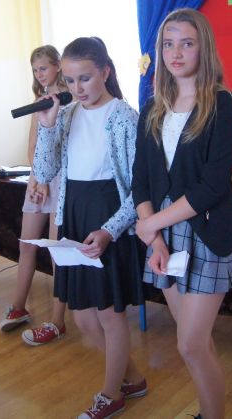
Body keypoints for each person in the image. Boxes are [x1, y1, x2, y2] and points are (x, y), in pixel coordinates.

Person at [132, 8, 232, 419]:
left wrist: (150, 224)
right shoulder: (152, 109)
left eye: (187, 43)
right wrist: (155, 239)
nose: (176, 53)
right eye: (168, 44)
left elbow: (212, 186)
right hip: (164, 238)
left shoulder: (223, 104)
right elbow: (140, 181)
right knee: (197, 342)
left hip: (207, 232)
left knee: (189, 343)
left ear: (204, 48)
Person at [34, 37, 146, 419]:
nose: (77, 88)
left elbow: (140, 190)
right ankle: (133, 378)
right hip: (74, 216)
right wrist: (47, 126)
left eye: (85, 78)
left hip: (109, 220)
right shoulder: (66, 115)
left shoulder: (125, 117)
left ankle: (111, 394)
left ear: (105, 72)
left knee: (109, 314)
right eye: (69, 80)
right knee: (82, 316)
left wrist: (110, 231)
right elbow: (44, 171)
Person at [0, 45, 69, 345]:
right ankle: (19, 307)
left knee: (55, 250)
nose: (39, 74)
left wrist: (48, 179)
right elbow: (33, 146)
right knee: (26, 244)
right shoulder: (38, 102)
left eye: (43, 68)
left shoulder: (70, 101)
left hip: (61, 180)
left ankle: (57, 320)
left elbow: (64, 148)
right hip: (38, 179)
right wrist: (37, 179)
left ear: (57, 66)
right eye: (35, 70)